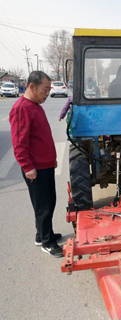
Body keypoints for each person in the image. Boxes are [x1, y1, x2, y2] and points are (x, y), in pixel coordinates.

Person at [9, 71, 63, 258]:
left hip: (45, 165)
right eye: (45, 89)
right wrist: (26, 166)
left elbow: (41, 137)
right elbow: (19, 142)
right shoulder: (22, 108)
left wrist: (51, 158)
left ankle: (42, 235)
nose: (48, 93)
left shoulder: (35, 106)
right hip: (36, 168)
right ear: (32, 87)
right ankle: (47, 243)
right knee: (43, 205)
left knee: (49, 201)